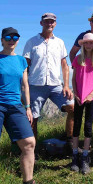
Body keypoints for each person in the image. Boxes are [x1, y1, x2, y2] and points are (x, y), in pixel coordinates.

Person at [0, 27, 45, 184]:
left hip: (15, 106)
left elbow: (25, 86)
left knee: (29, 143)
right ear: (2, 39)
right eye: (8, 37)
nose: (11, 39)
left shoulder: (22, 61)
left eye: (15, 37)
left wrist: (28, 108)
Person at [22, 13, 74, 148]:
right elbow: (25, 66)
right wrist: (24, 86)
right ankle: (32, 149)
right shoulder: (32, 42)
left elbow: (64, 65)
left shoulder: (60, 42)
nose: (49, 24)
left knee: (72, 107)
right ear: (41, 23)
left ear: (55, 24)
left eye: (52, 22)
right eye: (47, 22)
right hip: (35, 84)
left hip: (56, 84)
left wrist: (66, 86)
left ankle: (69, 141)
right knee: (32, 118)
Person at [70, 33, 93, 174]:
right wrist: (76, 94)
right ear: (83, 45)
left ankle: (85, 156)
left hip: (92, 97)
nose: (88, 45)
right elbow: (73, 79)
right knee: (77, 124)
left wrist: (92, 94)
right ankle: (74, 155)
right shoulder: (78, 59)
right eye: (86, 43)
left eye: (91, 43)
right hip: (79, 96)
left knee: (88, 125)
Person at [69, 11, 93, 127]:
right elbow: (73, 53)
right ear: (90, 22)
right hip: (86, 78)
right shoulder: (83, 36)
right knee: (81, 107)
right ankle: (77, 136)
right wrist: (78, 68)